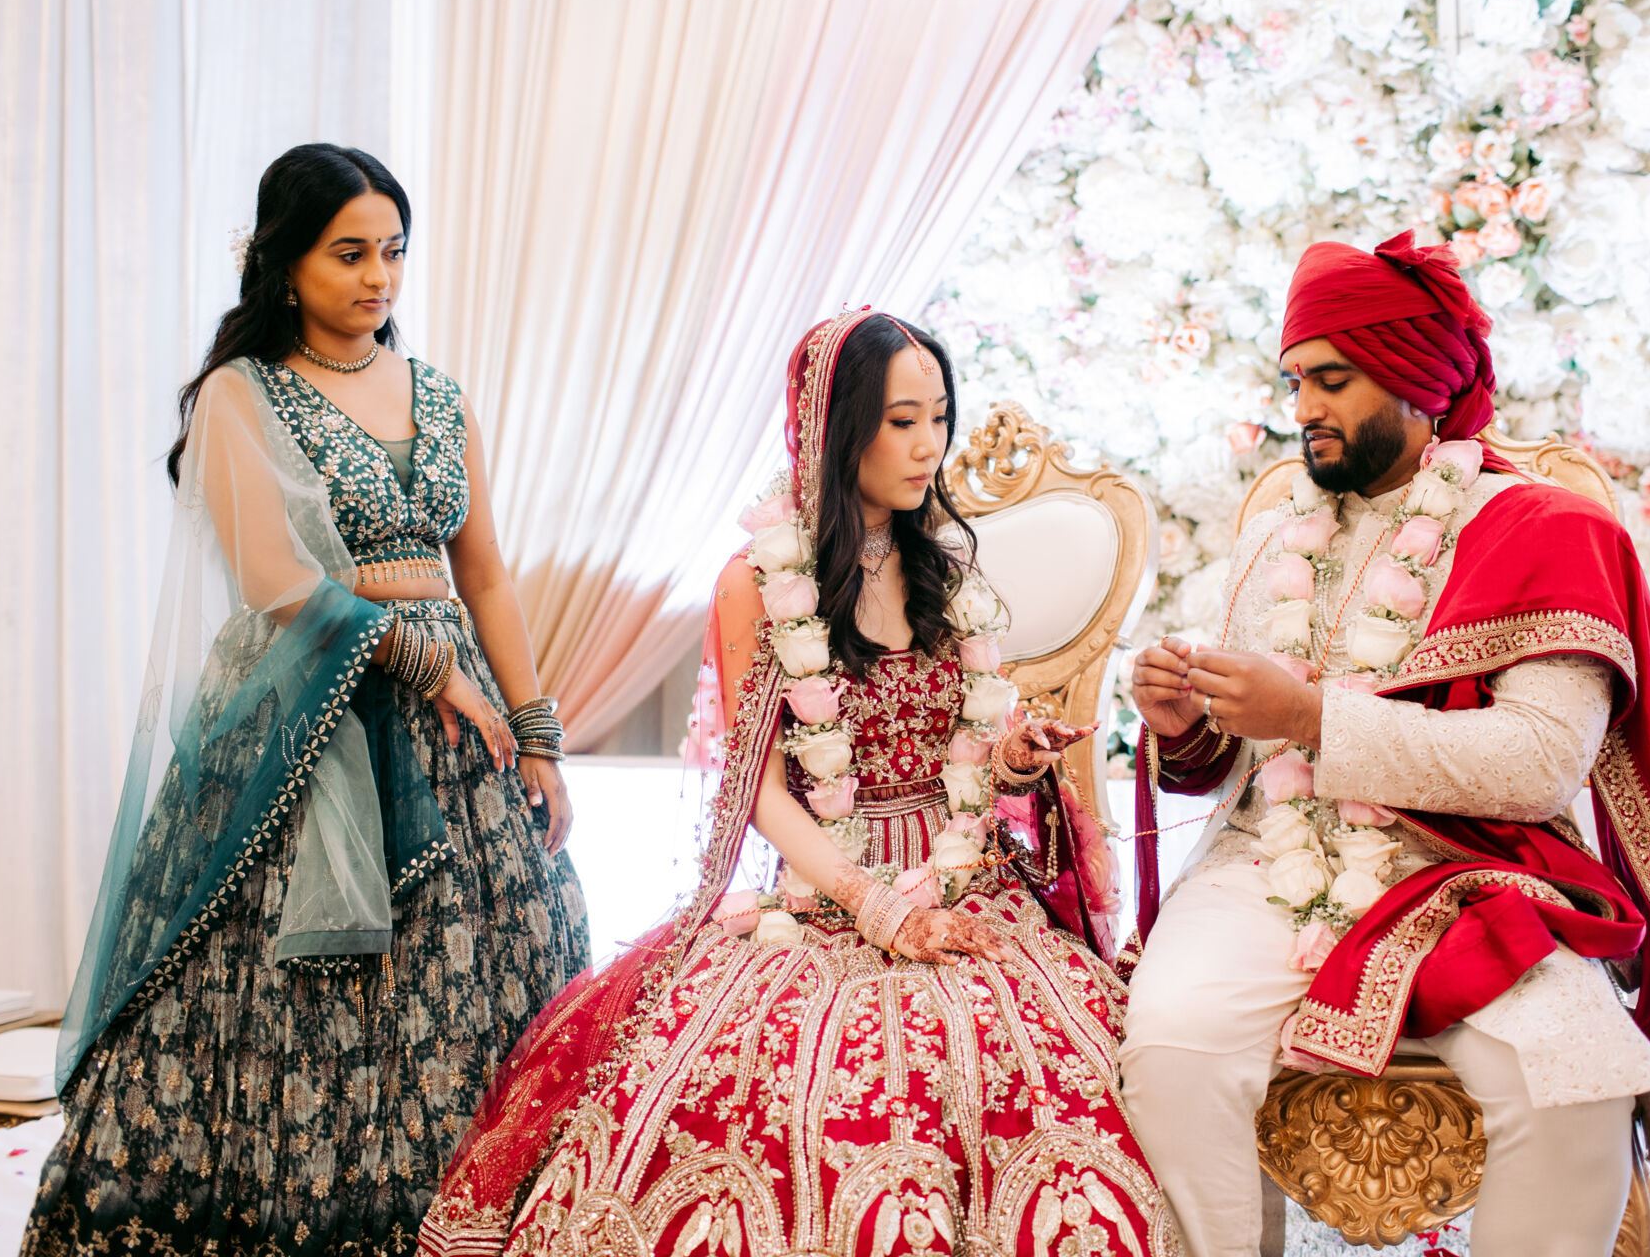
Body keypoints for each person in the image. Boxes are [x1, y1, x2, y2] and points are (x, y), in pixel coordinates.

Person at [419, 309, 1173, 1256]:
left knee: (1065, 1081)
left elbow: (965, 748)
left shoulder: (944, 567)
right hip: (822, 893)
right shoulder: (758, 582)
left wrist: (1015, 757)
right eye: (903, 421)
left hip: (963, 889)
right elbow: (762, 791)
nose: (930, 446)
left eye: (939, 417)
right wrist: (875, 906)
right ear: (837, 426)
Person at [23, 144, 590, 1256]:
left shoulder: (439, 395)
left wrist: (534, 732)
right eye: (349, 253)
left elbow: (484, 574)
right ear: (286, 263)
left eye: (393, 251)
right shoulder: (242, 394)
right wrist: (427, 668)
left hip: (459, 719)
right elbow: (274, 579)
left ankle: (487, 1214)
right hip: (309, 708)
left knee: (493, 957)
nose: (379, 276)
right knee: (312, 990)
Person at [1118, 233, 1650, 1257]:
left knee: (1575, 1086)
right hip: (1264, 868)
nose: (1305, 406)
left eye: (1333, 380)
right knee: (1173, 1048)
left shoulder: (1545, 530)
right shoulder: (1276, 535)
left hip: (1469, 873)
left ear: (1417, 381)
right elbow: (1234, 763)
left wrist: (1313, 715)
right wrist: (1184, 721)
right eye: (1296, 381)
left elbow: (1538, 765)